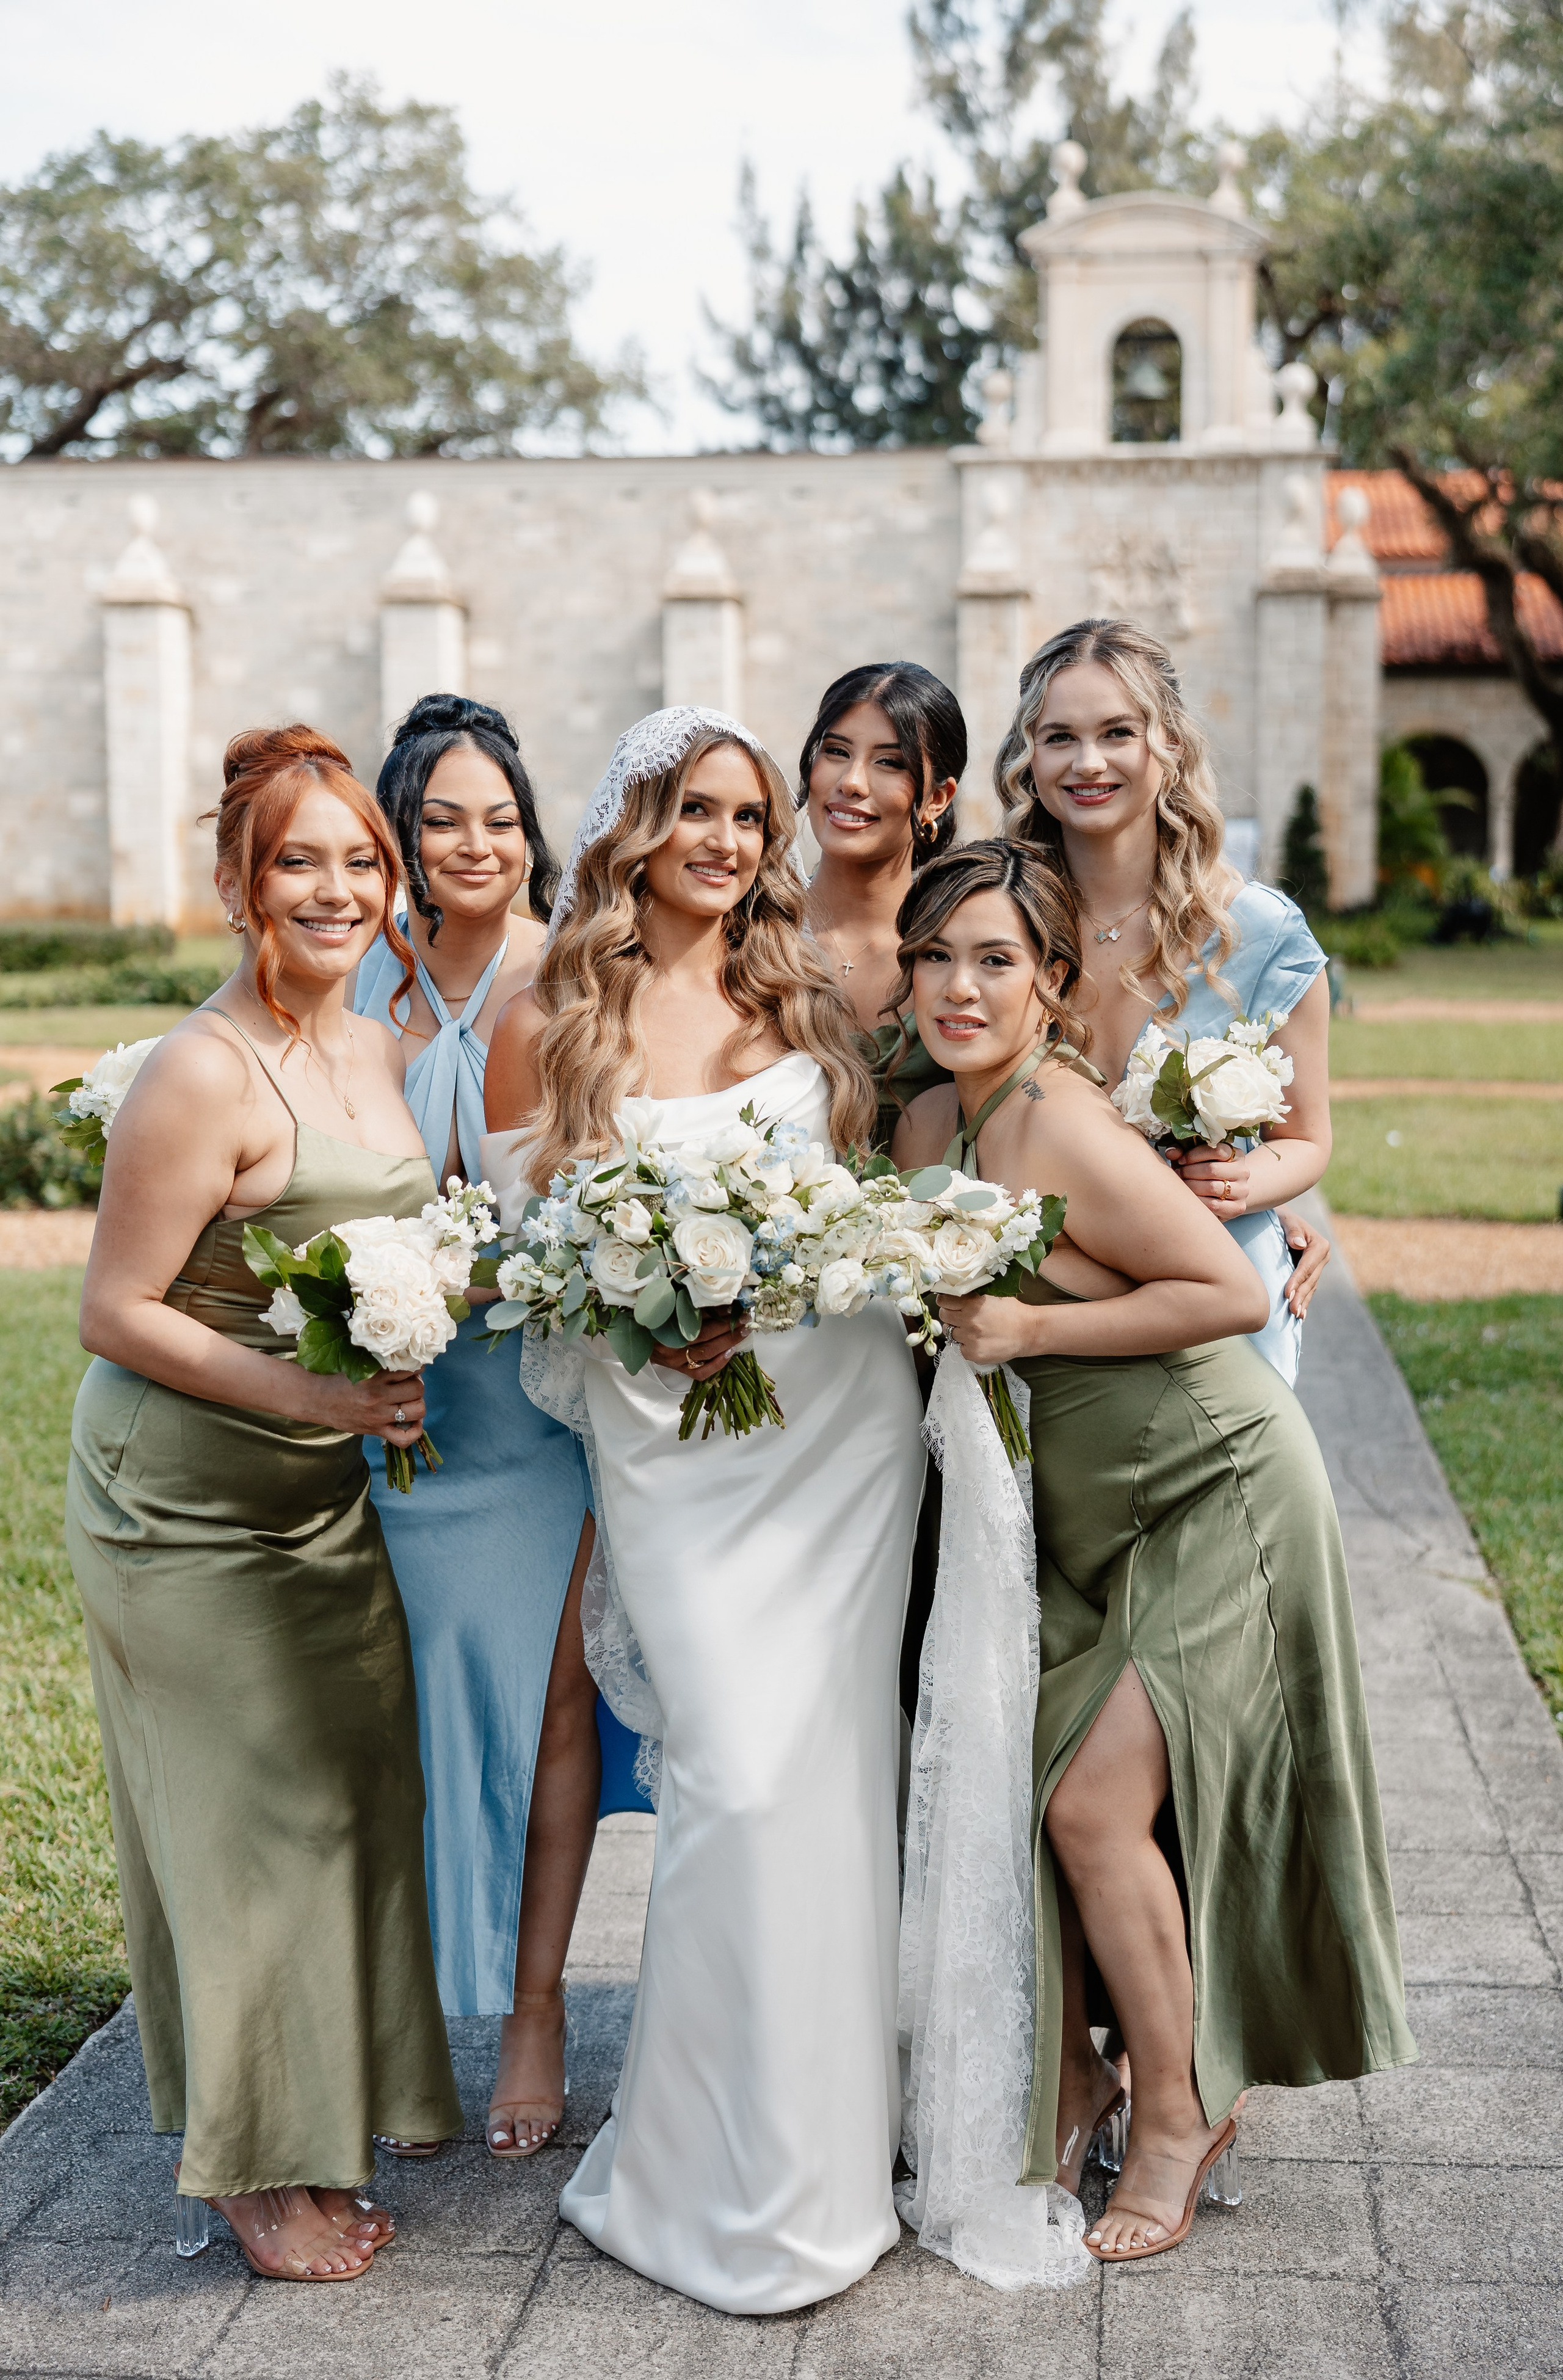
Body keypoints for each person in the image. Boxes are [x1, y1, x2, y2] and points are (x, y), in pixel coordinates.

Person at [892, 840, 1415, 2269]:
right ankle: (1075, 2077)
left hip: (1212, 1480)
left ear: (1051, 983)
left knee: (1084, 1804)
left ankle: (1174, 2110)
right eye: (933, 955)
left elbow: (1207, 1284)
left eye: (994, 958)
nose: (957, 983)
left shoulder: (1059, 1120)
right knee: (1034, 1789)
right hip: (1079, 1508)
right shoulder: (926, 1124)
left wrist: (1032, 1320)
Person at [482, 704, 926, 2313]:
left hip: (836, 1428)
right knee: (730, 1777)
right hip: (668, 1444)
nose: (732, 843)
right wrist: (641, 1311)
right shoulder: (562, 1012)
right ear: (637, 830)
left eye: (752, 817)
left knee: (822, 1781)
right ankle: (702, 2162)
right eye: (700, 814)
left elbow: (882, 1194)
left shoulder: (802, 988)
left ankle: (820, 2157)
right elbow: (526, 1256)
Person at [65, 726, 463, 2281]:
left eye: (361, 860)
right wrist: (320, 1398)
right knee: (241, 1825)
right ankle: (246, 2168)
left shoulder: (372, 1043)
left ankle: (333, 2107)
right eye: (299, 858)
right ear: (238, 882)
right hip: (180, 1506)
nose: (337, 887)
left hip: (319, 1494)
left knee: (341, 1800)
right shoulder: (199, 1069)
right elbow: (116, 1306)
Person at [352, 693, 600, 2161]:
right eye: (442, 817)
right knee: (389, 1710)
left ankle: (532, 2004)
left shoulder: (572, 982)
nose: (475, 843)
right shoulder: (349, 980)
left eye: (500, 816)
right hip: (377, 1400)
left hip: (531, 1398)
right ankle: (393, 2009)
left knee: (554, 1702)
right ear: (399, 833)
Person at [995, 616, 1332, 1385]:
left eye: (1117, 732)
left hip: (1220, 1302)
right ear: (1030, 756)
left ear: (1169, 742)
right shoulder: (999, 922)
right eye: (1058, 738)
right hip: (1042, 1299)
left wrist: (1248, 1186)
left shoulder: (1260, 933)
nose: (1088, 762)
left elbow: (1306, 1138)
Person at [798, 661, 962, 1128]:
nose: (851, 782)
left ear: (937, 799)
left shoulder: (964, 953)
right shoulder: (746, 932)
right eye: (835, 751)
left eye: (889, 762)